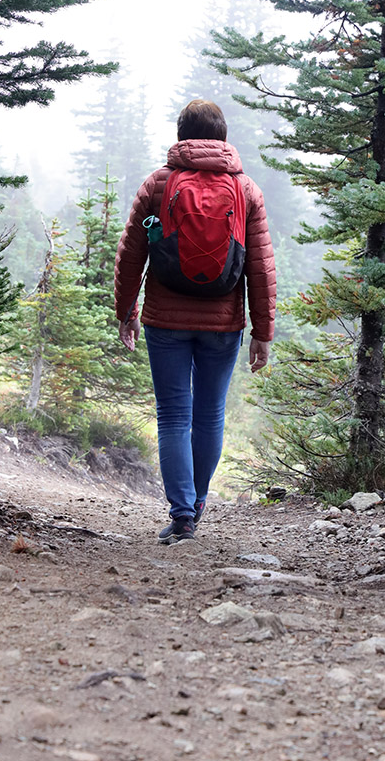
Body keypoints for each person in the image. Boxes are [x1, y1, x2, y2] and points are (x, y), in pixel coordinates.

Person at [114, 99, 276, 543]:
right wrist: (263, 332)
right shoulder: (247, 191)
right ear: (222, 137)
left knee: (172, 418)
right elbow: (260, 266)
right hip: (223, 321)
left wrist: (126, 311)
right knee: (209, 416)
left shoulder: (159, 183)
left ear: (182, 134)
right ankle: (198, 501)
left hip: (165, 318)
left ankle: (182, 515)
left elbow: (131, 252)